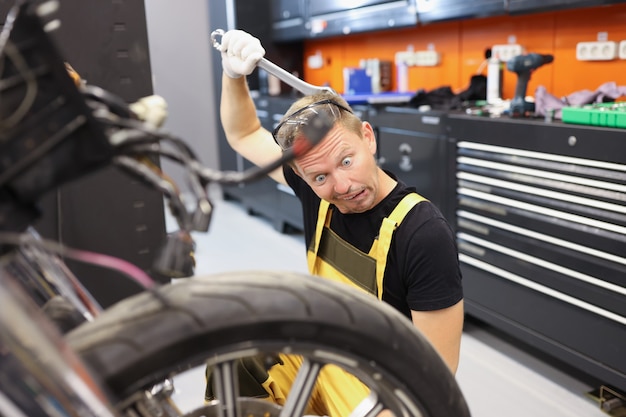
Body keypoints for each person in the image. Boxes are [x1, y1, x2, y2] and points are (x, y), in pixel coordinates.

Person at [213, 29, 464, 416]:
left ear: (368, 137)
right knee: (235, 361)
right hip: (329, 356)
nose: (341, 186)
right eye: (320, 177)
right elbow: (244, 133)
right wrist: (233, 76)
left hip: (389, 391)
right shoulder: (317, 191)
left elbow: (436, 377)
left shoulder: (422, 234)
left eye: (346, 161)